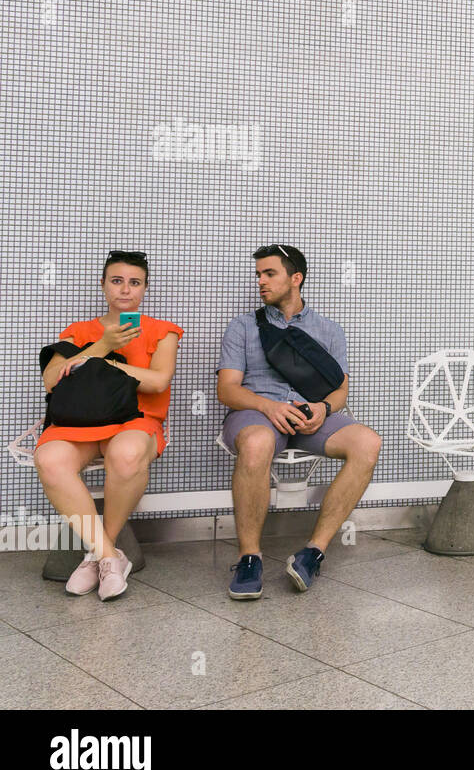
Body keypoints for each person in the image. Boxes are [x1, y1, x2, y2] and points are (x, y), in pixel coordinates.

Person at [217, 244, 381, 600]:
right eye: (258, 274)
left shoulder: (330, 330)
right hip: (256, 415)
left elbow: (340, 393)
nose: (260, 281)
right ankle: (249, 559)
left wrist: (323, 408)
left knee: (368, 443)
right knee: (259, 443)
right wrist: (268, 407)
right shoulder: (243, 327)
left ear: (296, 278)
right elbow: (227, 390)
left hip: (310, 418)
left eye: (269, 273)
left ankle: (313, 552)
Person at [33, 250, 183, 599]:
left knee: (127, 453)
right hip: (80, 420)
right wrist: (102, 345)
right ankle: (107, 556)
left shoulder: (162, 331)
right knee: (50, 459)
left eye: (135, 283)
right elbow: (52, 380)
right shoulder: (80, 331)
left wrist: (103, 364)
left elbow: (158, 381)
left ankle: (101, 553)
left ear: (145, 288)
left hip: (135, 420)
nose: (125, 290)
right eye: (117, 281)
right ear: (103, 285)